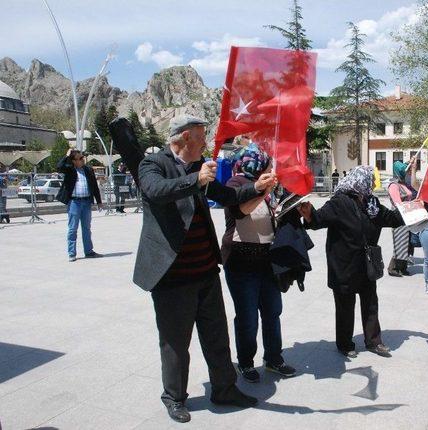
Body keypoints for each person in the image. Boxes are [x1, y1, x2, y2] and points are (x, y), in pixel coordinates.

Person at [134, 115, 276, 423]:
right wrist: (195, 180)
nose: (208, 143)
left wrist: (256, 187)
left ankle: (224, 389)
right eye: (201, 137)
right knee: (175, 343)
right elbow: (156, 191)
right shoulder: (154, 164)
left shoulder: (202, 170)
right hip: (172, 276)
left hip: (205, 271)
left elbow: (228, 197)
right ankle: (174, 397)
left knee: (216, 336)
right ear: (185, 137)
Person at [298, 166, 403, 358]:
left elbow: (391, 218)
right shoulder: (340, 202)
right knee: (345, 306)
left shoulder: (372, 203)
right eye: (370, 180)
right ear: (359, 180)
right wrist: (309, 213)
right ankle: (345, 344)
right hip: (344, 265)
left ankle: (374, 342)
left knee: (371, 303)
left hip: (367, 264)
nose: (372, 184)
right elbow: (319, 219)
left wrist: (411, 209)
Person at [221, 144, 295, 383]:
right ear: (256, 163)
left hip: (266, 259)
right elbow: (242, 211)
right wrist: (263, 190)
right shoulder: (235, 184)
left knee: (273, 312)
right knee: (247, 316)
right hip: (241, 259)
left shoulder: (265, 187)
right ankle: (245, 363)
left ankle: (274, 358)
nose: (271, 168)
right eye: (268, 164)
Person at [56, 148, 103, 262]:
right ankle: (72, 253)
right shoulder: (70, 170)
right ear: (74, 161)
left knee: (86, 228)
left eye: (83, 158)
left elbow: (94, 186)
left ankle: (89, 251)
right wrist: (66, 155)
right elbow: (59, 167)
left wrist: (99, 201)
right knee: (73, 228)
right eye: (80, 158)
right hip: (74, 202)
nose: (83, 160)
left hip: (86, 202)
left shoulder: (88, 170)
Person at [386, 159, 417, 277]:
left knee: (406, 243)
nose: (406, 172)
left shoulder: (402, 184)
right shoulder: (394, 185)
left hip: (406, 216)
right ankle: (392, 268)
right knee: (399, 242)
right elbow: (397, 202)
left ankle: (403, 267)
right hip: (398, 217)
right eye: (404, 170)